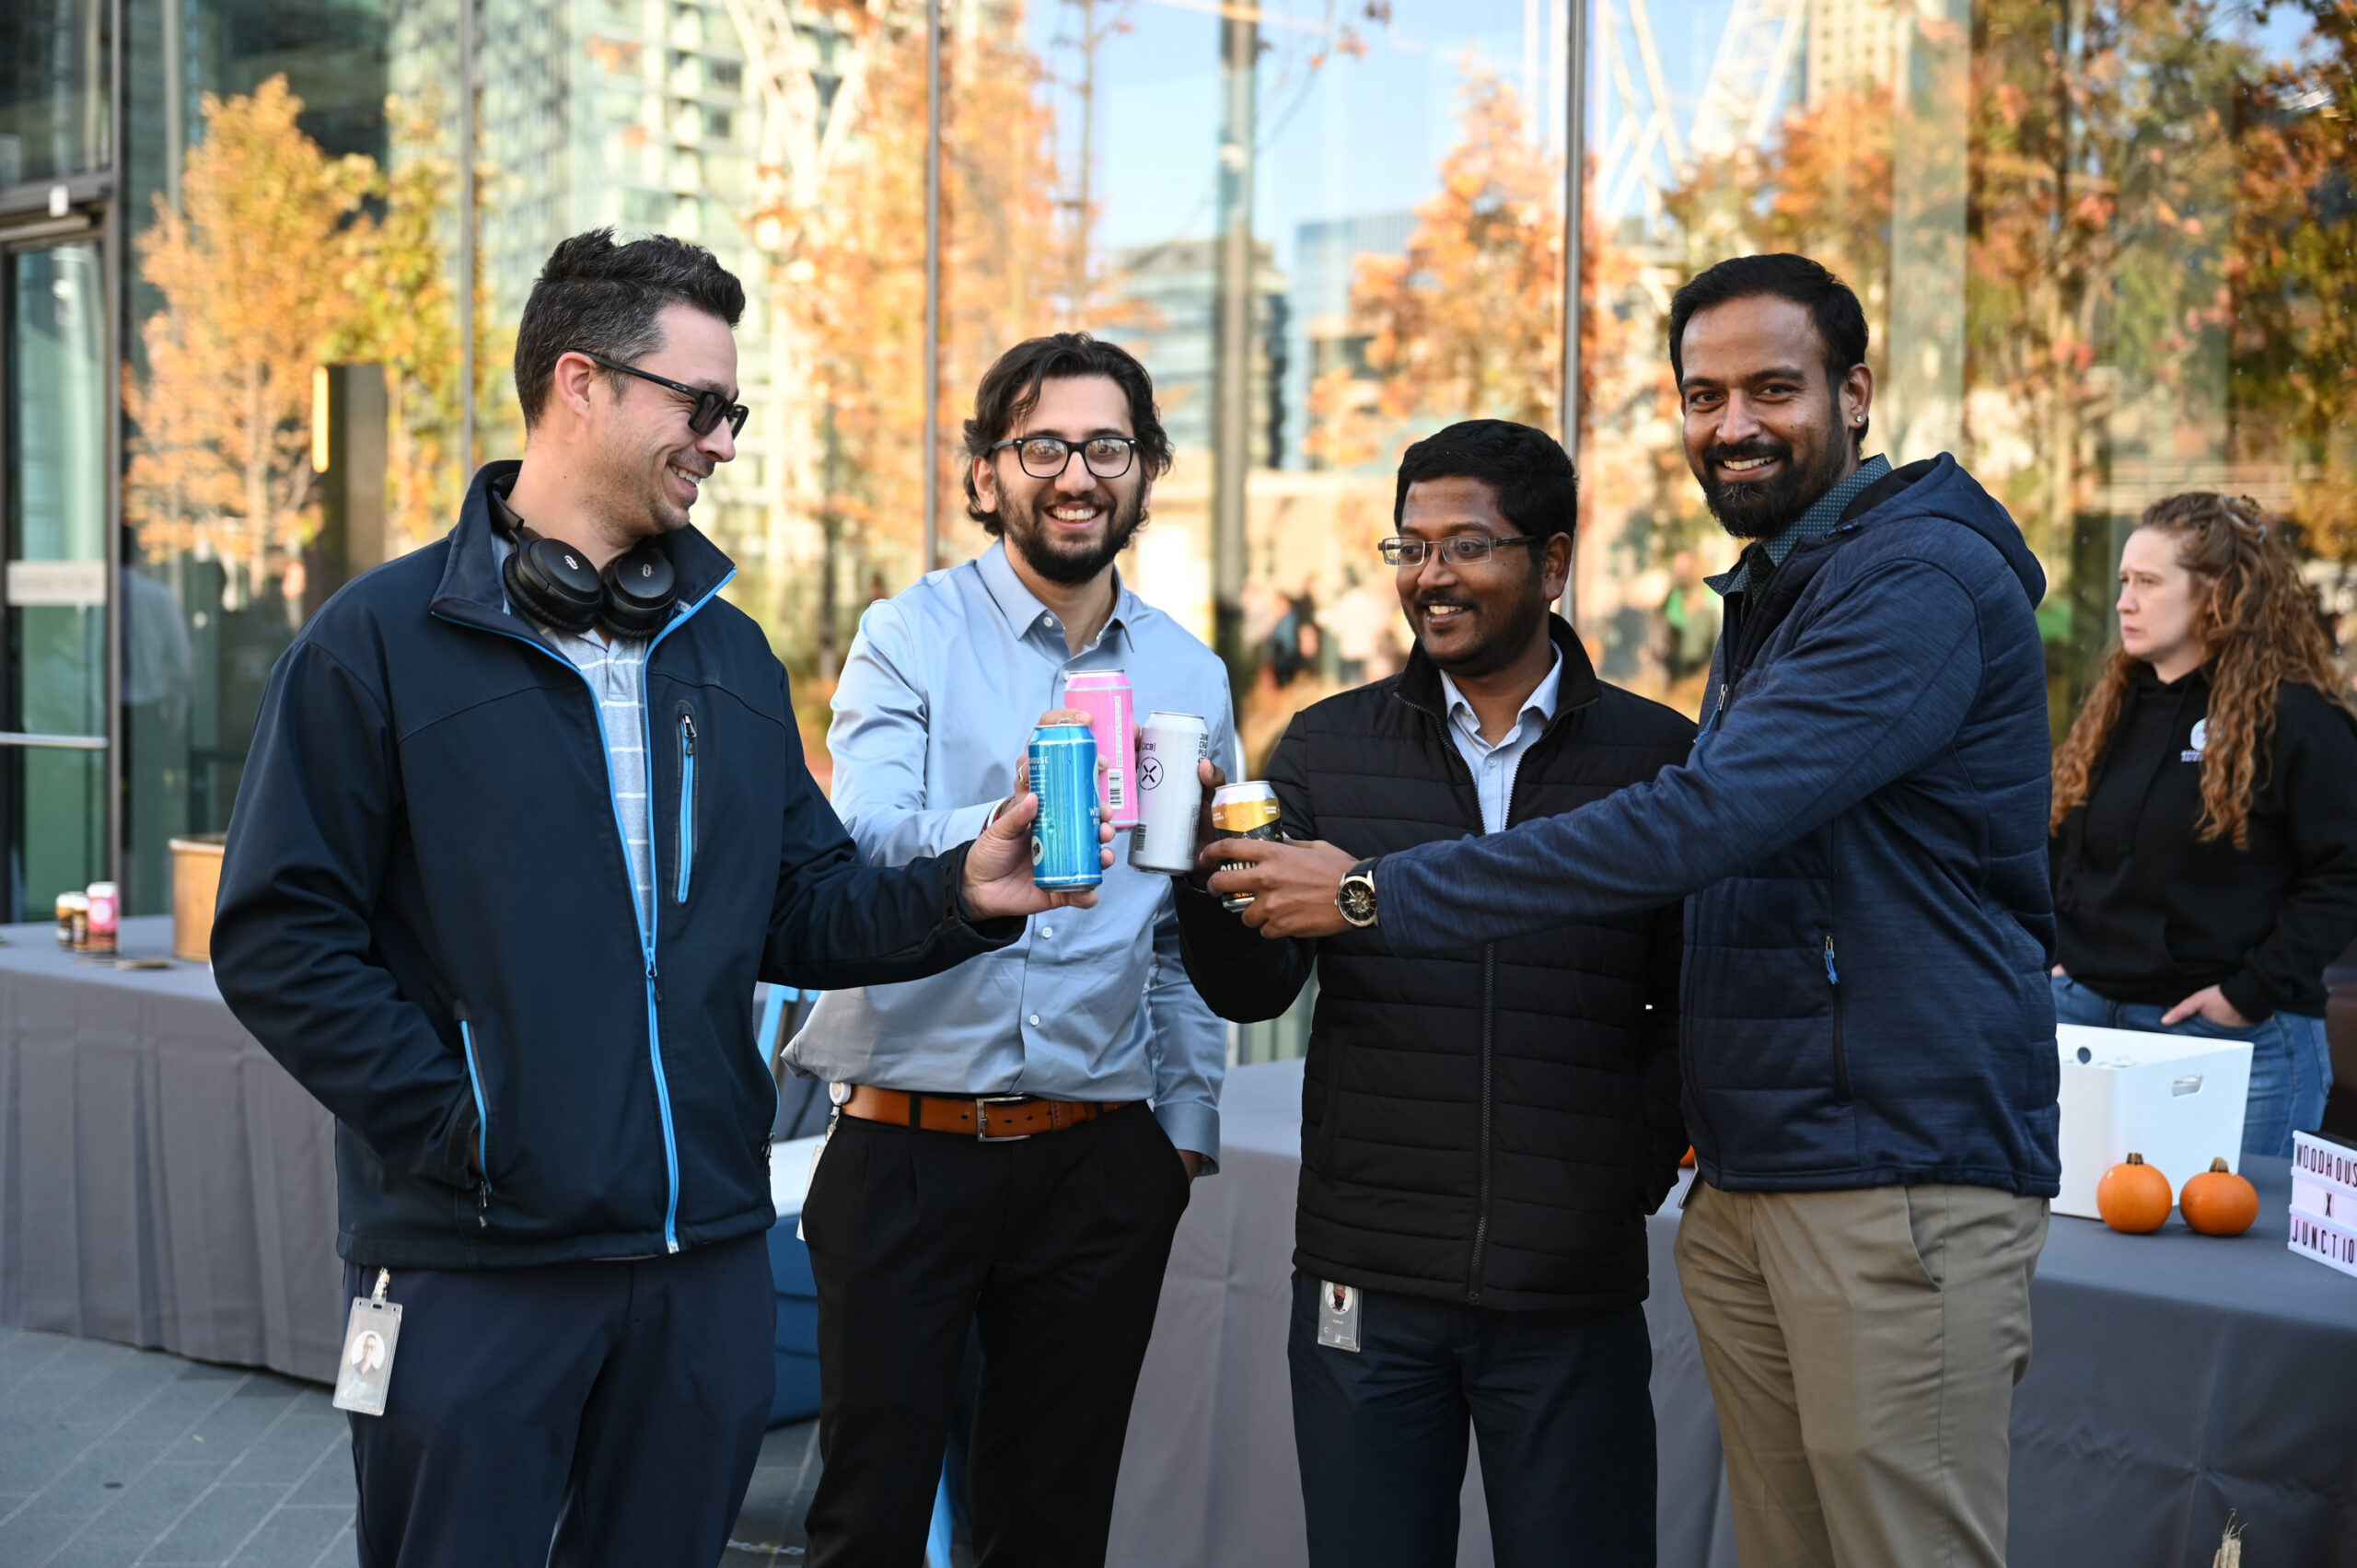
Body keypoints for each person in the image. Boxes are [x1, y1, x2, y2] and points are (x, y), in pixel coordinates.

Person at [210, 230, 1086, 1568]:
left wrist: (960, 892)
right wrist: (470, 1125)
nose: (724, 439)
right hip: (474, 1260)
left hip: (704, 1265)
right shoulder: (371, 646)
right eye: (703, 404)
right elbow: (281, 939)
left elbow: (801, 904)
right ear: (583, 382)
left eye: (732, 410)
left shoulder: (729, 655)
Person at [1211, 253, 2060, 1568]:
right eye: (1703, 393)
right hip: (1746, 1178)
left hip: (1879, 1166)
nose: (1732, 423)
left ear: (1857, 393)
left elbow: (1701, 831)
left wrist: (1378, 893)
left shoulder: (1910, 581)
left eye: (1772, 387)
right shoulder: (1784, 588)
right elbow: (1256, 975)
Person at [1173, 420, 1693, 1564]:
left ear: (1553, 562)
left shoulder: (1660, 760)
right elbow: (1259, 989)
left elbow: (1692, 1005)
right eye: (1408, 546)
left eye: (1466, 543)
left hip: (1569, 1283)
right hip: (1367, 1276)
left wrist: (1624, 1165)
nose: (1431, 576)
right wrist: (1200, 880)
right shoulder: (1326, 746)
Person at [784, 332, 1235, 1568]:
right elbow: (862, 834)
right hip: (905, 1146)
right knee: (865, 1521)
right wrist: (1002, 836)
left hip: (1098, 1159)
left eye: (1108, 446)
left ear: (1144, 473)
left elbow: (1187, 934)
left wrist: (1182, 1122)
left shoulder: (1188, 673)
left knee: (1051, 1525)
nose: (1077, 473)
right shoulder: (908, 633)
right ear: (989, 474)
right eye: (1044, 444)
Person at [2049, 492, 2357, 1156]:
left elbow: (2342, 874)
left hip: (2229, 1039)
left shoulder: (2298, 718)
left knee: (2222, 1253)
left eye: (2149, 583)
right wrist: (2059, 950)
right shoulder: (2116, 706)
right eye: (2125, 581)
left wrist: (2247, 995)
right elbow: (2064, 845)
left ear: (2218, 594)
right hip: (2087, 1025)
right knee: (2084, 1249)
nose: (2124, 601)